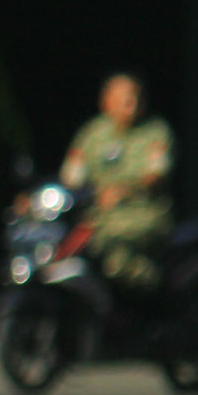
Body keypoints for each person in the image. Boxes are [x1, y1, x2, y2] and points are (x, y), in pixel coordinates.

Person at [61, 73, 173, 290]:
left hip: (142, 215)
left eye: (136, 98)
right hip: (97, 217)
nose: (132, 105)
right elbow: (71, 175)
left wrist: (124, 191)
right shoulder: (92, 133)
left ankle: (160, 290)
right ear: (105, 102)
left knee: (110, 252)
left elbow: (158, 173)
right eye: (124, 100)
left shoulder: (155, 131)